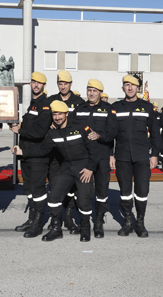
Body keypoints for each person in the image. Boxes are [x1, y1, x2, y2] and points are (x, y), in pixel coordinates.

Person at [13, 100, 102, 242]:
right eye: (55, 114)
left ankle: (85, 228)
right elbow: (42, 149)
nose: (57, 117)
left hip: (83, 166)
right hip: (67, 166)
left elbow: (95, 151)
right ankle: (56, 229)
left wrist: (90, 169)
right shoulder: (53, 132)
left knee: (84, 200)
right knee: (54, 196)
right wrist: (23, 151)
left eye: (60, 114)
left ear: (67, 114)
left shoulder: (81, 127)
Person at [110, 75, 162, 238]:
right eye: (127, 85)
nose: (130, 88)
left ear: (137, 88)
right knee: (125, 192)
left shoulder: (147, 107)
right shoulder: (116, 107)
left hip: (141, 157)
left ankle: (140, 223)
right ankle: (127, 223)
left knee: (142, 191)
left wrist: (154, 154)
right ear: (122, 88)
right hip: (122, 156)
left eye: (133, 85)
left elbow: (155, 133)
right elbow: (110, 133)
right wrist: (110, 155)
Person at [11, 72, 52, 238]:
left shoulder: (45, 105)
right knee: (28, 188)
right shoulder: (33, 104)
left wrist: (20, 130)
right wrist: (19, 125)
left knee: (38, 190)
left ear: (44, 86)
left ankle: (37, 224)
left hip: (38, 157)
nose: (36, 85)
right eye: (34, 82)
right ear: (30, 83)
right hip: (26, 155)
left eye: (39, 83)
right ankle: (31, 219)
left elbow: (40, 131)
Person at [71, 79, 115, 238]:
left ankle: (99, 221)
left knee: (102, 190)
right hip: (83, 156)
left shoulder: (108, 109)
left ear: (100, 93)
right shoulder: (79, 109)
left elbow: (113, 132)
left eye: (95, 90)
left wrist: (100, 135)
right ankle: (83, 221)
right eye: (89, 90)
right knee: (83, 190)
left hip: (102, 155)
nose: (91, 93)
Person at [47, 70, 85, 233]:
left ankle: (69, 218)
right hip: (56, 151)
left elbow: (83, 124)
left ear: (71, 84)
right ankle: (55, 219)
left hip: (74, 152)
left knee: (72, 189)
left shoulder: (79, 102)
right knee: (55, 184)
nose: (63, 86)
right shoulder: (51, 100)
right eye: (60, 84)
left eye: (66, 84)